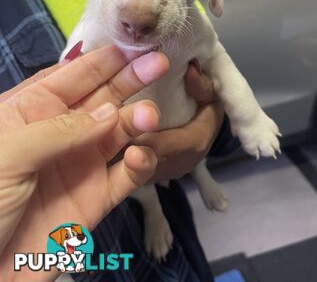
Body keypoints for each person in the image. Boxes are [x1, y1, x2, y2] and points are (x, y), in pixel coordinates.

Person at [0, 40, 224, 281]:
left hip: (145, 128)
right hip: (104, 224)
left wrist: (211, 124)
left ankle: (197, 176)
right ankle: (156, 207)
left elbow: (208, 59)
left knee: (142, 156)